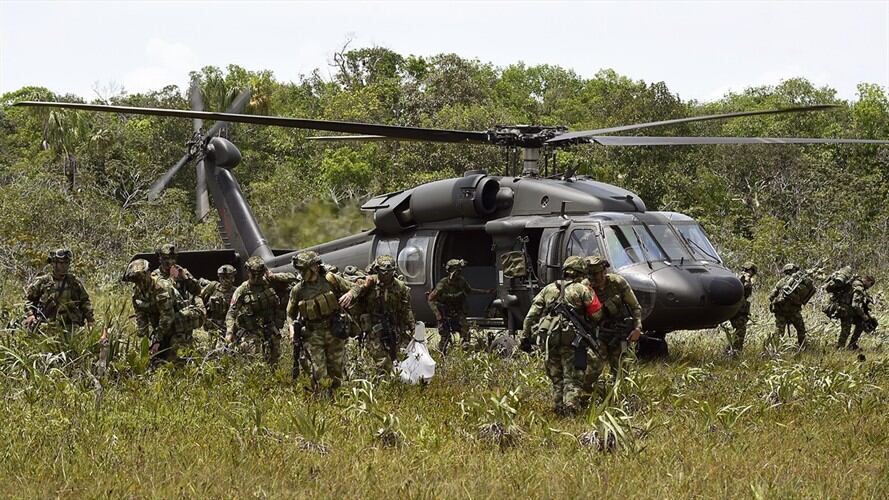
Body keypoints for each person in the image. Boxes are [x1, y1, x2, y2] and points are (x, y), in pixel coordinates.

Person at [521, 256, 603, 415]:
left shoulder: (548, 289)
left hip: (550, 340)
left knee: (557, 379)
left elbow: (531, 316)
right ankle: (571, 412)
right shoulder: (582, 289)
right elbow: (597, 314)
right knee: (573, 378)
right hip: (574, 342)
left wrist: (524, 337)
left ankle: (559, 410)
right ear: (581, 273)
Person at [287, 251, 354, 391]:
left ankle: (337, 397)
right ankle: (322, 398)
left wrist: (350, 294)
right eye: (300, 270)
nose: (301, 273)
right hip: (313, 335)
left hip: (334, 331)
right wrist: (291, 329)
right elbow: (290, 314)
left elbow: (355, 286)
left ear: (315, 267)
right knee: (319, 372)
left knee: (337, 370)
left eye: (304, 269)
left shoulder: (330, 280)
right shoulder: (298, 290)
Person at [339, 255, 415, 373]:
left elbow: (407, 310)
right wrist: (351, 294)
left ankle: (398, 380)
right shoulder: (370, 282)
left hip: (394, 327)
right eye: (383, 271)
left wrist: (413, 328)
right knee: (383, 362)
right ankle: (385, 379)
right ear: (377, 269)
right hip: (374, 329)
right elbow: (357, 288)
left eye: (389, 271)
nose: (386, 274)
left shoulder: (401, 287)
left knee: (402, 358)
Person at [581, 255, 642, 393]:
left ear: (604, 271)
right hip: (597, 334)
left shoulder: (618, 283)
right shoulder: (584, 287)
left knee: (622, 370)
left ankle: (619, 397)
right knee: (592, 369)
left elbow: (635, 307)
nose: (594, 279)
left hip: (619, 333)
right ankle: (589, 395)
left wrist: (637, 328)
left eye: (597, 274)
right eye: (591, 275)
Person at [122, 258, 192, 365]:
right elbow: (140, 315)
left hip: (179, 323)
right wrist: (144, 341)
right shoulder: (137, 292)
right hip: (161, 325)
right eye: (136, 281)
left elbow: (167, 317)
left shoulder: (161, 289)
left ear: (148, 274)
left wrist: (157, 340)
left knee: (174, 361)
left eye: (141, 279)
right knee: (154, 359)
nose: (139, 284)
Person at [225, 256, 284, 366]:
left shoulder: (270, 282)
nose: (256, 278)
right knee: (256, 362)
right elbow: (231, 313)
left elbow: (292, 279)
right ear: (248, 272)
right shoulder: (242, 290)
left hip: (271, 329)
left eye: (259, 274)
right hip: (252, 333)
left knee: (274, 362)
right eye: (253, 274)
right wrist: (229, 332)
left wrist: (274, 276)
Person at [426, 259, 494, 354]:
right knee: (445, 336)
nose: (457, 274)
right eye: (455, 271)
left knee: (465, 331)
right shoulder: (443, 284)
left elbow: (470, 291)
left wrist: (486, 292)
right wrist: (437, 314)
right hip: (445, 312)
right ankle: (441, 353)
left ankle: (464, 350)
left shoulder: (461, 281)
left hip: (457, 311)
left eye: (458, 271)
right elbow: (431, 299)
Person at [24, 248, 94, 329]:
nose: (64, 266)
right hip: (47, 325)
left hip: (71, 326)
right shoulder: (43, 282)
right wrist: (30, 315)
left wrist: (90, 320)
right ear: (54, 264)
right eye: (61, 263)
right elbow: (29, 300)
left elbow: (85, 301)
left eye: (67, 263)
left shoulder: (74, 282)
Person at [766, 263, 809, 349]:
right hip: (794, 312)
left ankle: (774, 349)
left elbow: (771, 296)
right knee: (801, 330)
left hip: (781, 312)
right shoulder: (799, 282)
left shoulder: (781, 282)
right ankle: (803, 348)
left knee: (779, 331)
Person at [727, 261, 757, 353]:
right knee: (740, 332)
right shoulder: (744, 277)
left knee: (737, 332)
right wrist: (748, 280)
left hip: (736, 309)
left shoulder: (736, 276)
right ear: (751, 270)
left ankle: (730, 351)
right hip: (739, 310)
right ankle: (735, 352)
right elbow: (746, 288)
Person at [200, 264, 237, 338]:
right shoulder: (213, 287)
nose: (224, 280)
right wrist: (203, 313)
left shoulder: (236, 292)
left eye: (227, 277)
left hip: (227, 329)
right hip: (210, 327)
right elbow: (199, 296)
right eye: (222, 277)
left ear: (233, 278)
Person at [844, 275, 877, 350]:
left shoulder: (855, 284)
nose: (870, 286)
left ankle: (852, 345)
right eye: (871, 284)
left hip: (846, 309)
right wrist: (864, 316)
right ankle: (840, 348)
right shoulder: (859, 288)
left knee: (861, 324)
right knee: (846, 331)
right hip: (846, 311)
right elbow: (855, 305)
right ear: (867, 281)